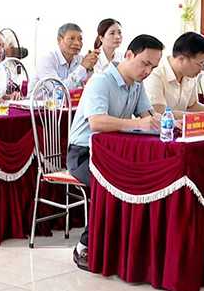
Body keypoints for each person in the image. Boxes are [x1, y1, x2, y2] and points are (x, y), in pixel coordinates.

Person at [68, 35, 164, 270]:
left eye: (153, 67)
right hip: (83, 152)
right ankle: (85, 246)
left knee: (144, 179)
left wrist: (169, 123)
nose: (148, 71)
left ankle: (128, 248)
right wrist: (139, 125)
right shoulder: (100, 82)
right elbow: (97, 122)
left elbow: (148, 116)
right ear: (129, 55)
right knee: (111, 184)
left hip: (112, 153)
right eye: (145, 63)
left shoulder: (137, 85)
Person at [143, 32, 204, 121]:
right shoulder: (155, 74)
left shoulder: (189, 75)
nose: (203, 68)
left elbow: (191, 106)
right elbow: (161, 113)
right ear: (181, 59)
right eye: (200, 63)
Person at [30, 23, 99, 92]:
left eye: (80, 39)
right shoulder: (47, 60)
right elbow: (59, 91)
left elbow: (87, 88)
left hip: (70, 102)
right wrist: (82, 67)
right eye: (71, 38)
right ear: (59, 40)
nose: (77, 43)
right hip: (40, 102)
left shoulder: (80, 59)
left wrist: (90, 70)